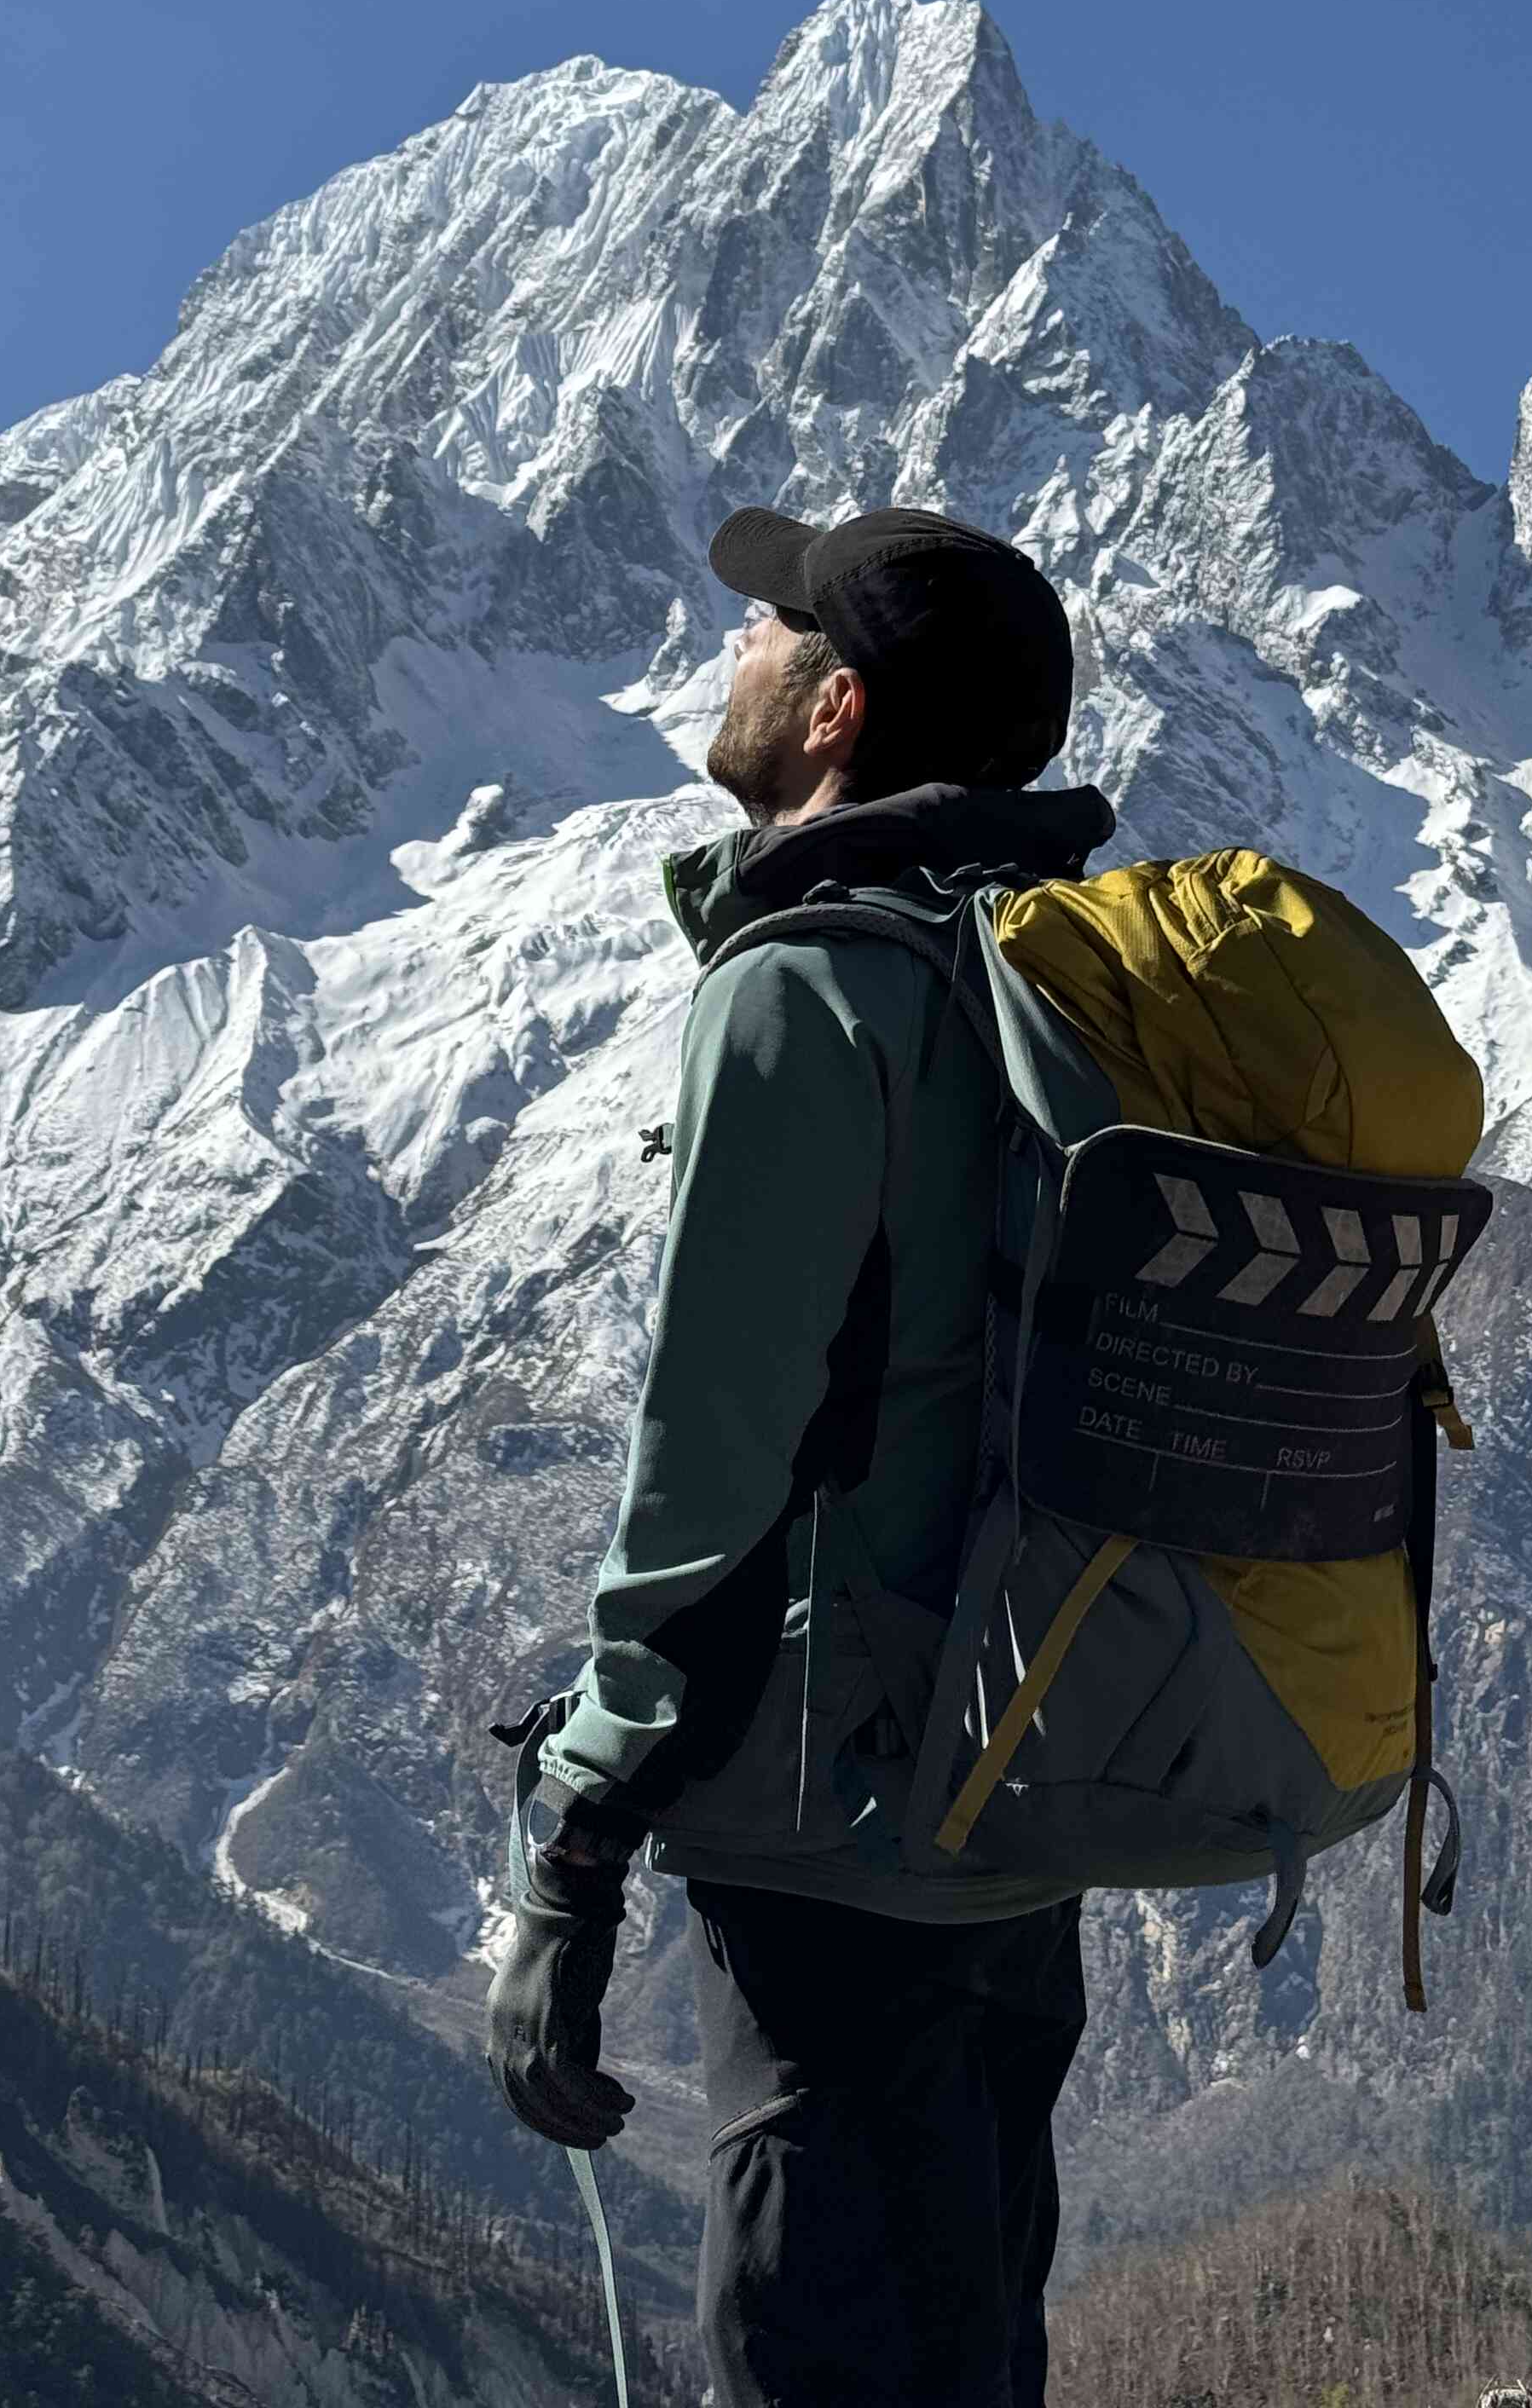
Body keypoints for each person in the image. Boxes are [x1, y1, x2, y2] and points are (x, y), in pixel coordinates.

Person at [486, 503, 1116, 2408]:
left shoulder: (804, 985)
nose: (732, 647)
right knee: (967, 2340)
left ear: (835, 709)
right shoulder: (1048, 974)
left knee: (811, 2353)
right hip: (1030, 1784)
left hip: (831, 1829)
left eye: (766, 626)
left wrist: (577, 1840)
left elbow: (716, 1455)